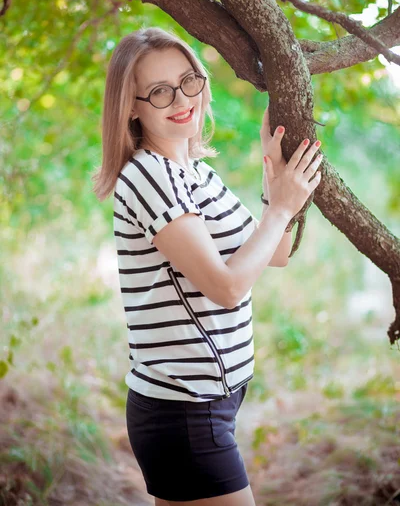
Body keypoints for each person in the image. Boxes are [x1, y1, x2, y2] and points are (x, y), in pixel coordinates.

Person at [92, 26, 322, 505]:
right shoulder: (150, 175)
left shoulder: (194, 171)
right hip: (183, 412)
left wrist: (273, 173)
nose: (181, 99)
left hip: (209, 406)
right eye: (158, 92)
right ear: (131, 106)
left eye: (188, 80)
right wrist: (280, 208)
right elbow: (227, 288)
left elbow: (274, 254)